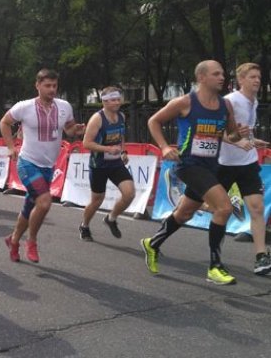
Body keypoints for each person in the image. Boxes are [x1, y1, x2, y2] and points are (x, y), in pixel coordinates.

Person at [141, 60, 251, 285]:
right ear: (201, 77)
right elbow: (154, 121)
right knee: (224, 207)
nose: (222, 77)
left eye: (223, 74)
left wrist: (239, 134)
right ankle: (215, 266)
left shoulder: (225, 106)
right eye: (216, 74)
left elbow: (230, 136)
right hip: (189, 165)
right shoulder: (184, 102)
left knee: (184, 213)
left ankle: (152, 244)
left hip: (211, 166)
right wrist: (163, 147)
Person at [0, 69, 84, 263]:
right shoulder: (24, 107)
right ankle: (32, 241)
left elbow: (69, 129)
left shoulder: (64, 106)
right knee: (44, 202)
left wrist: (76, 130)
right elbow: (4, 122)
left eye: (54, 86)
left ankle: (13, 240)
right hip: (27, 162)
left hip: (48, 166)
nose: (52, 89)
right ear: (37, 85)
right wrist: (11, 147)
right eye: (47, 85)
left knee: (30, 207)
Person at [218, 62, 270, 275]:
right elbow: (216, 131)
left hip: (247, 162)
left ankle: (261, 257)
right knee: (201, 207)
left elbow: (242, 131)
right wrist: (238, 142)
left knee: (256, 208)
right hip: (225, 163)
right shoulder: (230, 101)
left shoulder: (254, 102)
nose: (257, 80)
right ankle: (173, 220)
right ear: (241, 80)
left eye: (259, 77)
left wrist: (252, 139)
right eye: (252, 77)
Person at [79, 87, 136, 241]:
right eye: (113, 100)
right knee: (97, 200)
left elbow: (121, 136)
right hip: (99, 165)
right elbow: (86, 143)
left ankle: (111, 218)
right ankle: (84, 225)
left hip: (116, 164)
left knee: (129, 193)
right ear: (104, 101)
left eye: (118, 99)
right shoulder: (97, 119)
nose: (117, 102)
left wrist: (123, 151)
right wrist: (107, 149)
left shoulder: (122, 116)